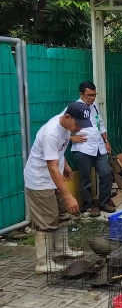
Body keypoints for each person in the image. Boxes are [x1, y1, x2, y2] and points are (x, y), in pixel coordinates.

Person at [24, 102, 92, 274]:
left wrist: (66, 166)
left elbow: (58, 152)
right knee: (46, 220)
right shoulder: (51, 133)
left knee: (62, 215)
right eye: (77, 124)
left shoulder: (67, 126)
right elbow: (52, 166)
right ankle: (43, 263)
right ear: (67, 117)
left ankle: (62, 249)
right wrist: (68, 195)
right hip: (40, 181)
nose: (78, 129)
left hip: (54, 178)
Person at [67, 81, 114, 216]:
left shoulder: (94, 107)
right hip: (83, 148)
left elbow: (100, 124)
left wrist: (106, 141)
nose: (92, 98)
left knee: (106, 173)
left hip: (99, 146)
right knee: (85, 179)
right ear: (81, 94)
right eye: (89, 95)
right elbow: (61, 125)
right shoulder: (74, 108)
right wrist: (71, 138)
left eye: (94, 95)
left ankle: (104, 203)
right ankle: (87, 206)